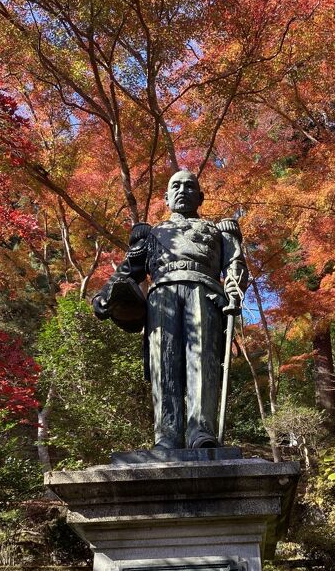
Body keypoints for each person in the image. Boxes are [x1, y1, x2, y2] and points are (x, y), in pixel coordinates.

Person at [92, 170, 248, 449]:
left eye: (190, 186)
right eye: (175, 186)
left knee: (202, 362)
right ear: (165, 197)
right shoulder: (152, 234)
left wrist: (234, 288)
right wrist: (106, 295)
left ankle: (201, 431)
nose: (182, 190)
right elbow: (131, 270)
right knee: (163, 364)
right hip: (161, 296)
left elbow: (235, 263)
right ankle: (167, 435)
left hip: (205, 292)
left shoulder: (216, 230)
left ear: (200, 197)